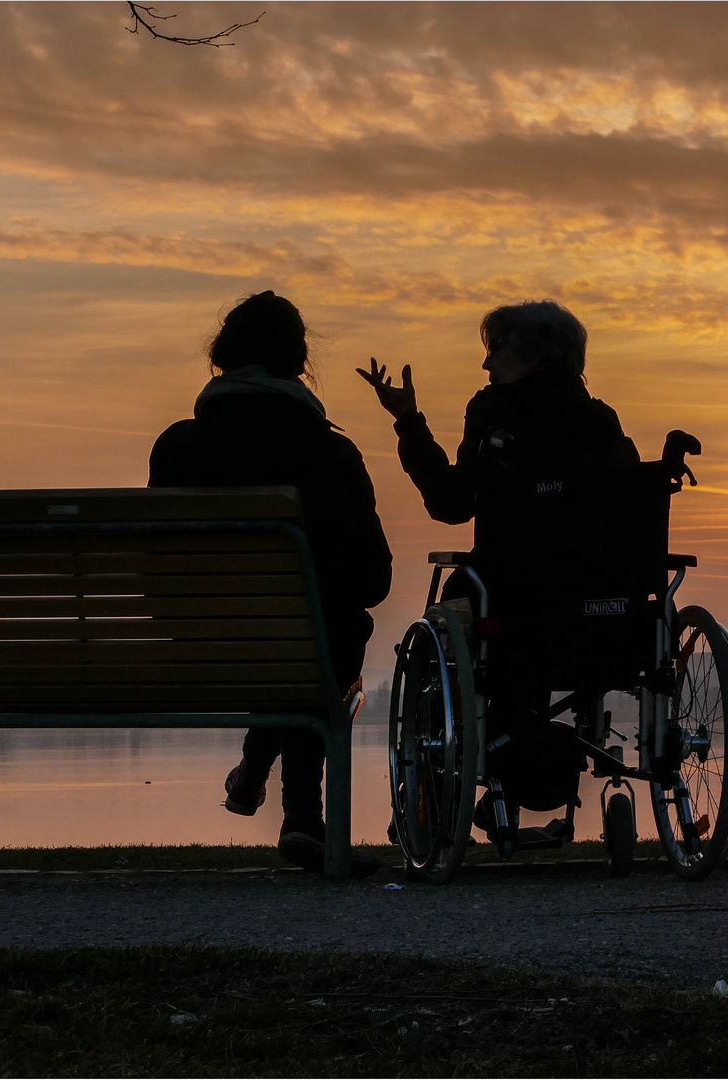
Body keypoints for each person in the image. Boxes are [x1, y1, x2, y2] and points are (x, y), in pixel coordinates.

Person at [359, 300, 639, 830]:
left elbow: (449, 504)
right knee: (519, 614)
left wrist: (408, 422)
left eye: (495, 351)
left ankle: (432, 802)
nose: (486, 366)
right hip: (601, 622)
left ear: (537, 353)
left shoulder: (494, 413)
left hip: (509, 611)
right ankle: (524, 762)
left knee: (447, 625)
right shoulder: (601, 423)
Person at [150, 290, 391, 875]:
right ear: (297, 362)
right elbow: (374, 579)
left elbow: (158, 567)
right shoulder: (330, 453)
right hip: (302, 652)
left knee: (294, 635)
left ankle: (256, 774)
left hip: (197, 649)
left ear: (222, 356)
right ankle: (303, 814)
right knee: (321, 633)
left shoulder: (177, 447)